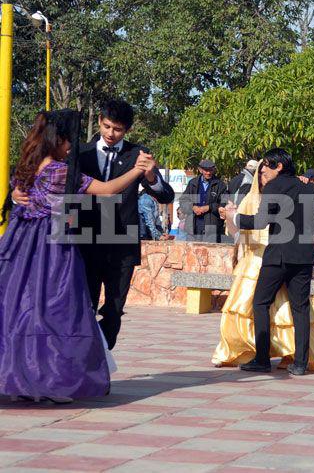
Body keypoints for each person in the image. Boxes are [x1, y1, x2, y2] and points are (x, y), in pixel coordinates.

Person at [0, 109, 154, 402]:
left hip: (20, 249)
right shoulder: (59, 171)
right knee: (58, 313)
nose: (71, 147)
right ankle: (55, 378)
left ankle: (23, 376)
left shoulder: (26, 166)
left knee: (22, 311)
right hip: (52, 251)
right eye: (68, 141)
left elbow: (18, 192)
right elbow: (107, 191)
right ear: (56, 140)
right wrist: (136, 170)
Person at [10, 100, 175, 351]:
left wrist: (151, 176)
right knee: (80, 304)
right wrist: (14, 197)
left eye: (117, 129)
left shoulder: (139, 155)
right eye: (107, 126)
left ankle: (101, 358)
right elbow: (39, 181)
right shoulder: (76, 151)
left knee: (114, 309)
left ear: (127, 130)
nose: (110, 133)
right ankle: (84, 360)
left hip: (121, 241)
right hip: (83, 240)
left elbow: (166, 196)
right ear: (99, 121)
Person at [212, 159, 314, 372]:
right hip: (304, 257)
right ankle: (300, 363)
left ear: (279, 167)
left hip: (278, 256)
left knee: (260, 302)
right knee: (300, 308)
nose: (263, 175)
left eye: (265, 170)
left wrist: (233, 216)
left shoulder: (274, 187)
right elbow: (313, 225)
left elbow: (260, 221)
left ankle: (262, 359)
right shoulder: (310, 189)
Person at [178, 159, 227, 243]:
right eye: (206, 170)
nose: (208, 173)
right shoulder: (192, 183)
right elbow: (183, 200)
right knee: (192, 253)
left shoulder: (220, 185)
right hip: (193, 227)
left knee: (210, 253)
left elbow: (224, 204)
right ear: (200, 170)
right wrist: (192, 207)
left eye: (210, 170)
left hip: (211, 228)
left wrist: (209, 207)